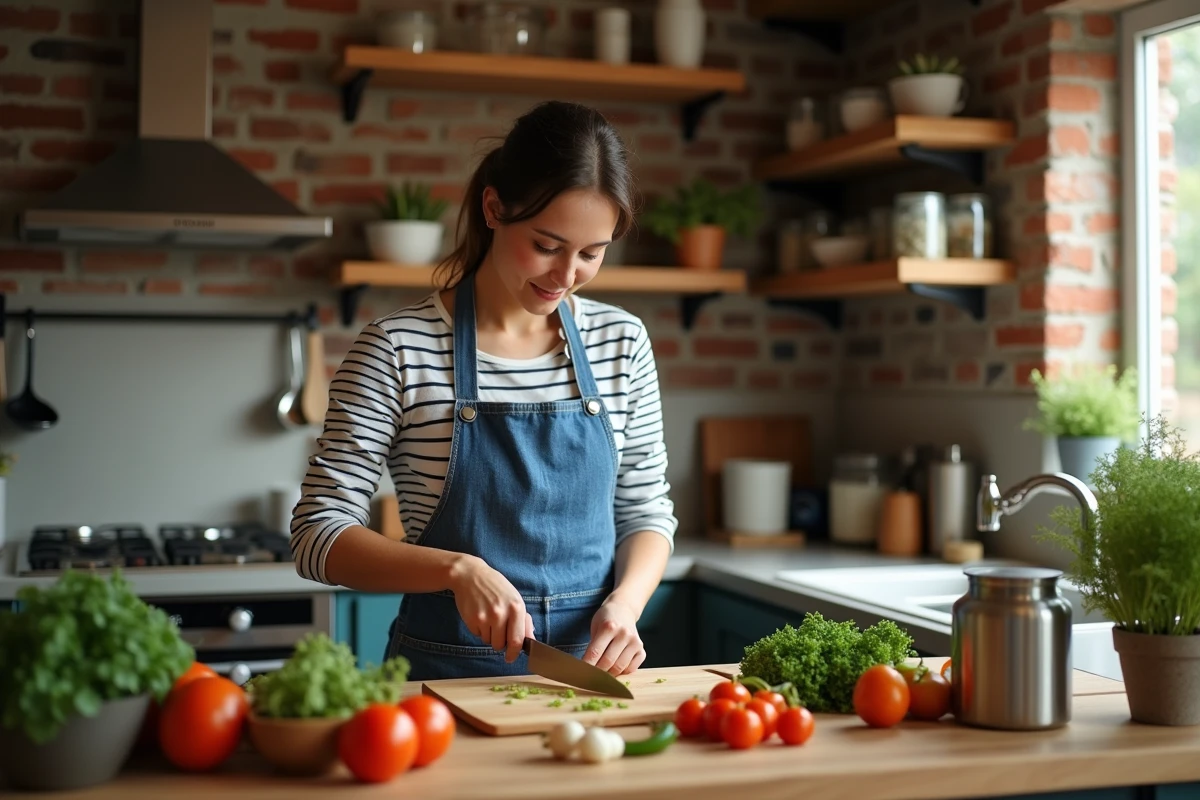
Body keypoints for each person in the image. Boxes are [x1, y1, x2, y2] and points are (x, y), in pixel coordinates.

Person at [290, 101, 678, 681]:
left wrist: (626, 605)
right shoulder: (398, 348)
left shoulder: (620, 341)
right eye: (547, 246)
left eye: (592, 254)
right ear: (494, 208)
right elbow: (317, 535)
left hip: (591, 675)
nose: (565, 276)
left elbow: (646, 510)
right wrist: (455, 570)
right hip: (443, 678)